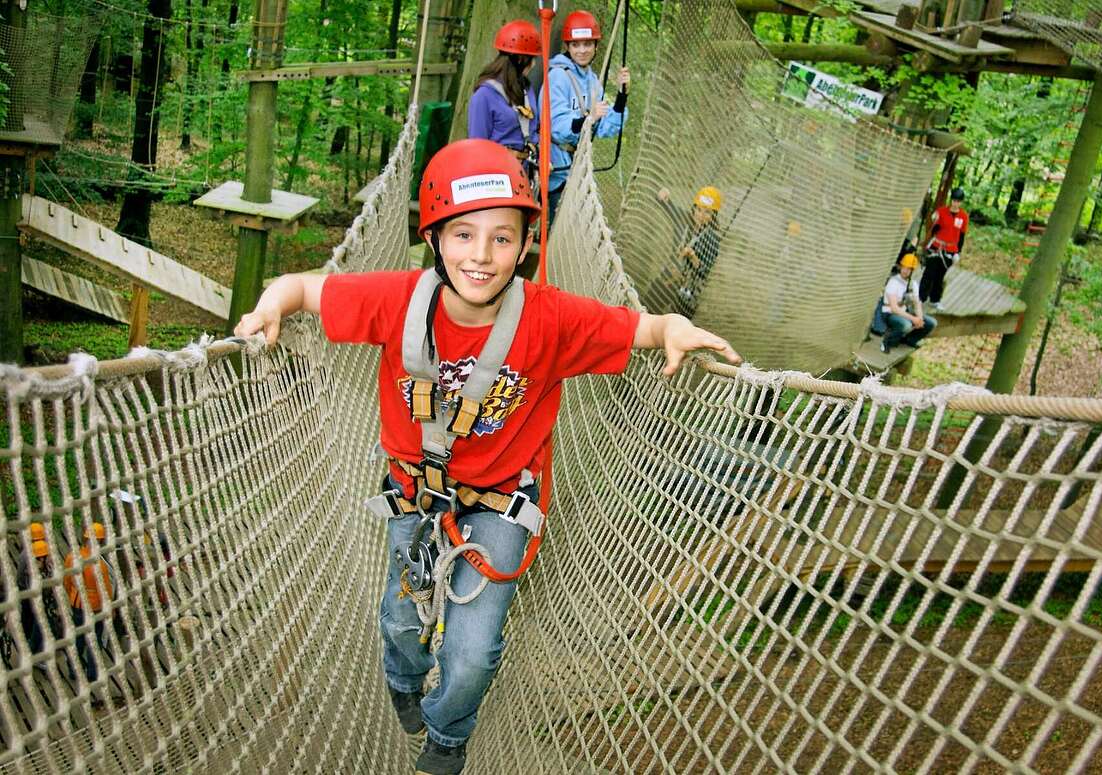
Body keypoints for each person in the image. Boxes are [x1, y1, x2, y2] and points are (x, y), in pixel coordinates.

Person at [233, 138, 740, 775]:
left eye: (503, 238)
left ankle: (447, 737)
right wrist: (271, 305)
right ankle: (402, 684)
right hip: (415, 490)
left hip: (502, 500)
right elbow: (304, 288)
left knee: (472, 654)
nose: (481, 255)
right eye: (463, 235)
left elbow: (640, 328)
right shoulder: (398, 300)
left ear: (527, 243)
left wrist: (672, 328)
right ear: (436, 240)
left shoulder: (550, 319)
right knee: (399, 620)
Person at [543, 9, 630, 227]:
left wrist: (621, 96)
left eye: (587, 44)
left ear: (596, 47)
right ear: (568, 47)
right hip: (557, 170)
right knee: (558, 231)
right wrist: (588, 119)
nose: (582, 50)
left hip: (578, 169)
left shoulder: (593, 82)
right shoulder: (558, 77)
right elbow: (556, 125)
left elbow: (605, 127)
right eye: (576, 45)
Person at [467, 20, 541, 176]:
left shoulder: (526, 89)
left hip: (525, 172)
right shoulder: (485, 95)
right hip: (497, 175)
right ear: (521, 59)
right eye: (531, 59)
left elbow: (533, 129)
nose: (533, 65)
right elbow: (478, 146)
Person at [654, 186, 723, 319]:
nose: (701, 215)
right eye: (698, 210)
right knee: (647, 308)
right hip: (668, 277)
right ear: (694, 208)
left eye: (707, 212)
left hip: (687, 292)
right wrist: (662, 195)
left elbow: (703, 271)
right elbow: (664, 203)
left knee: (676, 328)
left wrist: (693, 256)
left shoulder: (712, 240)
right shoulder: (684, 219)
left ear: (713, 216)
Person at [63, 522, 118, 691]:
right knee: (94, 641)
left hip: (77, 604)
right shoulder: (98, 565)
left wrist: (73, 596)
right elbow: (106, 591)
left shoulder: (72, 557)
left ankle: (73, 670)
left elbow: (67, 582)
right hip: (96, 608)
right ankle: (92, 674)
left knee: (78, 639)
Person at [17, 524, 60, 672]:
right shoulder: (31, 560)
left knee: (32, 624)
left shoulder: (28, 553)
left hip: (32, 597)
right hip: (36, 600)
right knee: (40, 628)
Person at [921, 186, 969, 311]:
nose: (955, 203)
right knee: (929, 274)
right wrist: (935, 221)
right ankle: (921, 298)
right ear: (951, 200)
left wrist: (958, 252)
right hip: (936, 247)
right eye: (954, 200)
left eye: (958, 201)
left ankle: (934, 300)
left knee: (940, 276)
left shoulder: (963, 216)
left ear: (961, 202)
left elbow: (962, 236)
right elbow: (933, 230)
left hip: (950, 250)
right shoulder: (941, 211)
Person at [877, 253, 936, 353]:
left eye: (909, 269)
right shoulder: (893, 281)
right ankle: (887, 341)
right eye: (904, 267)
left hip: (904, 312)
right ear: (901, 266)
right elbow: (894, 308)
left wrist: (920, 319)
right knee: (906, 325)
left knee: (931, 323)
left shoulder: (913, 284)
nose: (906, 271)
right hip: (890, 313)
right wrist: (913, 318)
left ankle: (909, 340)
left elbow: (917, 303)